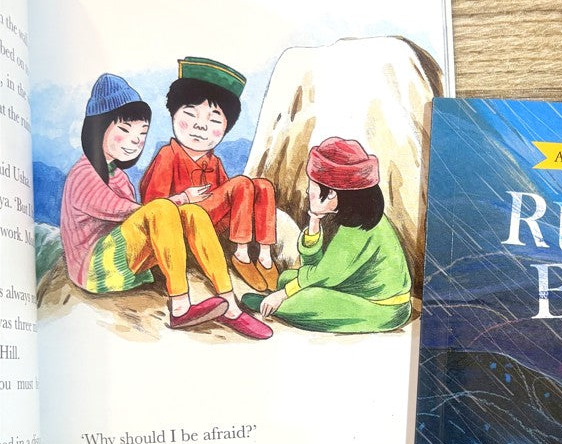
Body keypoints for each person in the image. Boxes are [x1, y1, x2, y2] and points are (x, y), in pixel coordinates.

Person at [60, 73, 271, 339]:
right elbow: (122, 209)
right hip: (94, 267)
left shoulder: (119, 177)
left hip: (127, 262)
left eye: (141, 134)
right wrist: (180, 199)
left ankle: (230, 305)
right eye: (124, 130)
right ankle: (180, 306)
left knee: (192, 212)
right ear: (98, 127)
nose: (135, 140)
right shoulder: (83, 173)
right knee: (163, 208)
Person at [242, 137, 412, 333]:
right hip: (353, 288)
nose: (308, 191)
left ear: (331, 193)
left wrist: (281, 296)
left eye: (312, 186)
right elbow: (313, 267)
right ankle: (283, 298)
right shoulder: (354, 218)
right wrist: (314, 222)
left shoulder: (358, 229)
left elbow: (324, 274)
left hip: (384, 309)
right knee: (286, 279)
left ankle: (273, 307)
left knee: (306, 299)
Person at [139, 56, 278, 292]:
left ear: (225, 128)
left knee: (263, 185)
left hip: (211, 227)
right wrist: (184, 198)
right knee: (241, 183)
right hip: (182, 226)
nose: (201, 126)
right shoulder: (168, 155)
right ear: (174, 115)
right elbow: (152, 207)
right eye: (190, 114)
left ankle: (265, 256)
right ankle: (241, 254)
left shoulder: (214, 162)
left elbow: (232, 203)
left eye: (213, 119)